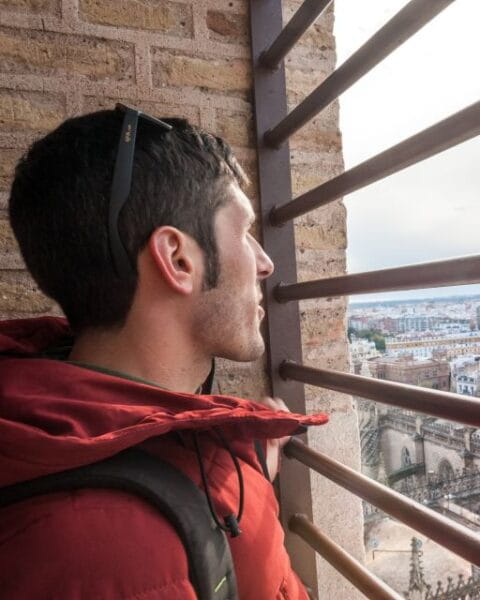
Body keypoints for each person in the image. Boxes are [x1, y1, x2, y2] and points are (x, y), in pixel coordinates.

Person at [0, 106, 327, 599]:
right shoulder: (104, 553)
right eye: (244, 232)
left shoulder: (160, 444)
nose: (265, 262)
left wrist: (244, 459)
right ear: (177, 259)